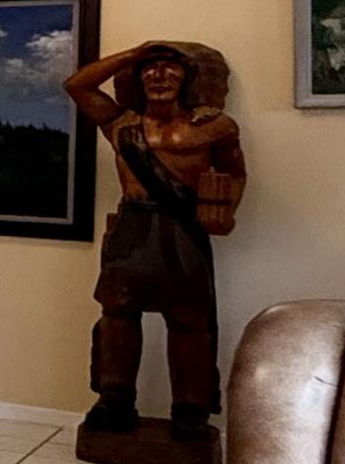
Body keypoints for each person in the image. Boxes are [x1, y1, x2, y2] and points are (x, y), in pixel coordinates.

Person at [61, 41, 245, 442]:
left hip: (181, 226)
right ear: (137, 78)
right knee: (117, 314)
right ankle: (114, 399)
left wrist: (224, 211)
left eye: (169, 68)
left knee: (189, 321)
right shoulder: (121, 124)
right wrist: (132, 54)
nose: (159, 76)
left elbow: (235, 174)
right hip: (133, 225)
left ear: (187, 78)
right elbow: (77, 85)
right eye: (150, 69)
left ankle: (190, 410)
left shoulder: (214, 126)